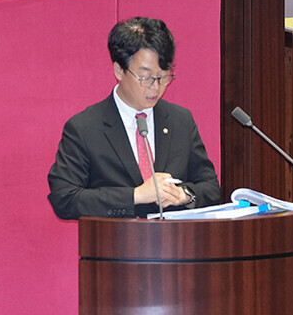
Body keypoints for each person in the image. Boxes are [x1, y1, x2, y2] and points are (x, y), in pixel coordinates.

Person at [48, 17, 221, 220]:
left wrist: (183, 195)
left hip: (177, 247)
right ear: (119, 71)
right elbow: (64, 198)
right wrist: (135, 196)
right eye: (145, 77)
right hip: (114, 248)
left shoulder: (180, 120)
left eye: (163, 76)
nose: (155, 87)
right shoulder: (84, 128)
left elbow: (210, 187)